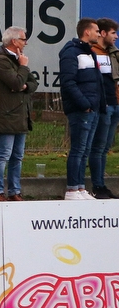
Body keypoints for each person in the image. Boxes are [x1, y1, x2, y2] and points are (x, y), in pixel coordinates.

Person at [0, 26, 38, 201]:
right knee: (4, 154)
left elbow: (32, 84)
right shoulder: (0, 61)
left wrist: (23, 84)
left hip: (20, 114)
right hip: (6, 114)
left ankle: (15, 190)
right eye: (23, 39)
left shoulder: (17, 60)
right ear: (14, 41)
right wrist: (22, 70)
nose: (25, 43)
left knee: (18, 156)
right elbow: (16, 83)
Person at [58, 17, 104, 201]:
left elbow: (96, 82)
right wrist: (84, 104)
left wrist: (99, 105)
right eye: (96, 31)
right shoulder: (71, 52)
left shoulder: (89, 52)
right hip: (81, 109)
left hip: (93, 108)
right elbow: (68, 82)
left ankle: (80, 187)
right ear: (87, 32)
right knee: (78, 148)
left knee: (85, 149)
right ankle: (71, 189)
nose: (99, 34)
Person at [89, 17, 119, 198]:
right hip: (103, 104)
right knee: (98, 146)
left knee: (106, 146)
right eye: (113, 33)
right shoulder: (93, 52)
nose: (116, 37)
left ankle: (102, 184)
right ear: (103, 33)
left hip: (115, 103)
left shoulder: (113, 53)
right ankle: (97, 185)